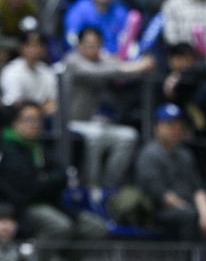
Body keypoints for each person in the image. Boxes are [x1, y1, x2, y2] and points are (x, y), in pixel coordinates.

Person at [0, 101, 107, 242]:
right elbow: (29, 189)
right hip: (23, 208)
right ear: (15, 122)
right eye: (28, 119)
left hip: (53, 204)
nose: (34, 124)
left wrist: (44, 180)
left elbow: (62, 175)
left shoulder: (40, 147)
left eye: (37, 119)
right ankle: (35, 256)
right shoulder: (8, 150)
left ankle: (68, 257)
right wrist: (47, 180)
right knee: (60, 227)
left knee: (96, 228)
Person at [63, 26, 152, 189]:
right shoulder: (72, 60)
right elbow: (97, 72)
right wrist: (134, 65)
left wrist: (145, 65)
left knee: (129, 136)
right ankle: (91, 187)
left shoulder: (102, 61)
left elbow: (127, 71)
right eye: (88, 45)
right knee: (95, 137)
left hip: (92, 122)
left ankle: (109, 187)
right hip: (71, 122)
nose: (92, 49)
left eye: (96, 45)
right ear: (79, 45)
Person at [135, 103, 206, 240]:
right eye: (169, 124)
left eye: (178, 124)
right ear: (156, 127)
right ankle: (188, 254)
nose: (175, 129)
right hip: (160, 209)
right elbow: (160, 194)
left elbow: (198, 187)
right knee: (189, 216)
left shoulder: (185, 154)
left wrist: (205, 211)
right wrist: (190, 208)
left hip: (188, 205)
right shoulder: (149, 154)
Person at [64, 0, 128, 54]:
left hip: (115, 56)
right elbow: (72, 38)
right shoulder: (78, 10)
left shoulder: (119, 10)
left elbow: (126, 37)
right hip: (86, 56)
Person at [0, 28, 57, 114]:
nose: (34, 50)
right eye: (30, 45)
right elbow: (15, 104)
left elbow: (52, 102)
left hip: (43, 118)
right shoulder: (11, 72)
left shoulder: (47, 72)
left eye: (38, 45)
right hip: (16, 117)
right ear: (21, 47)